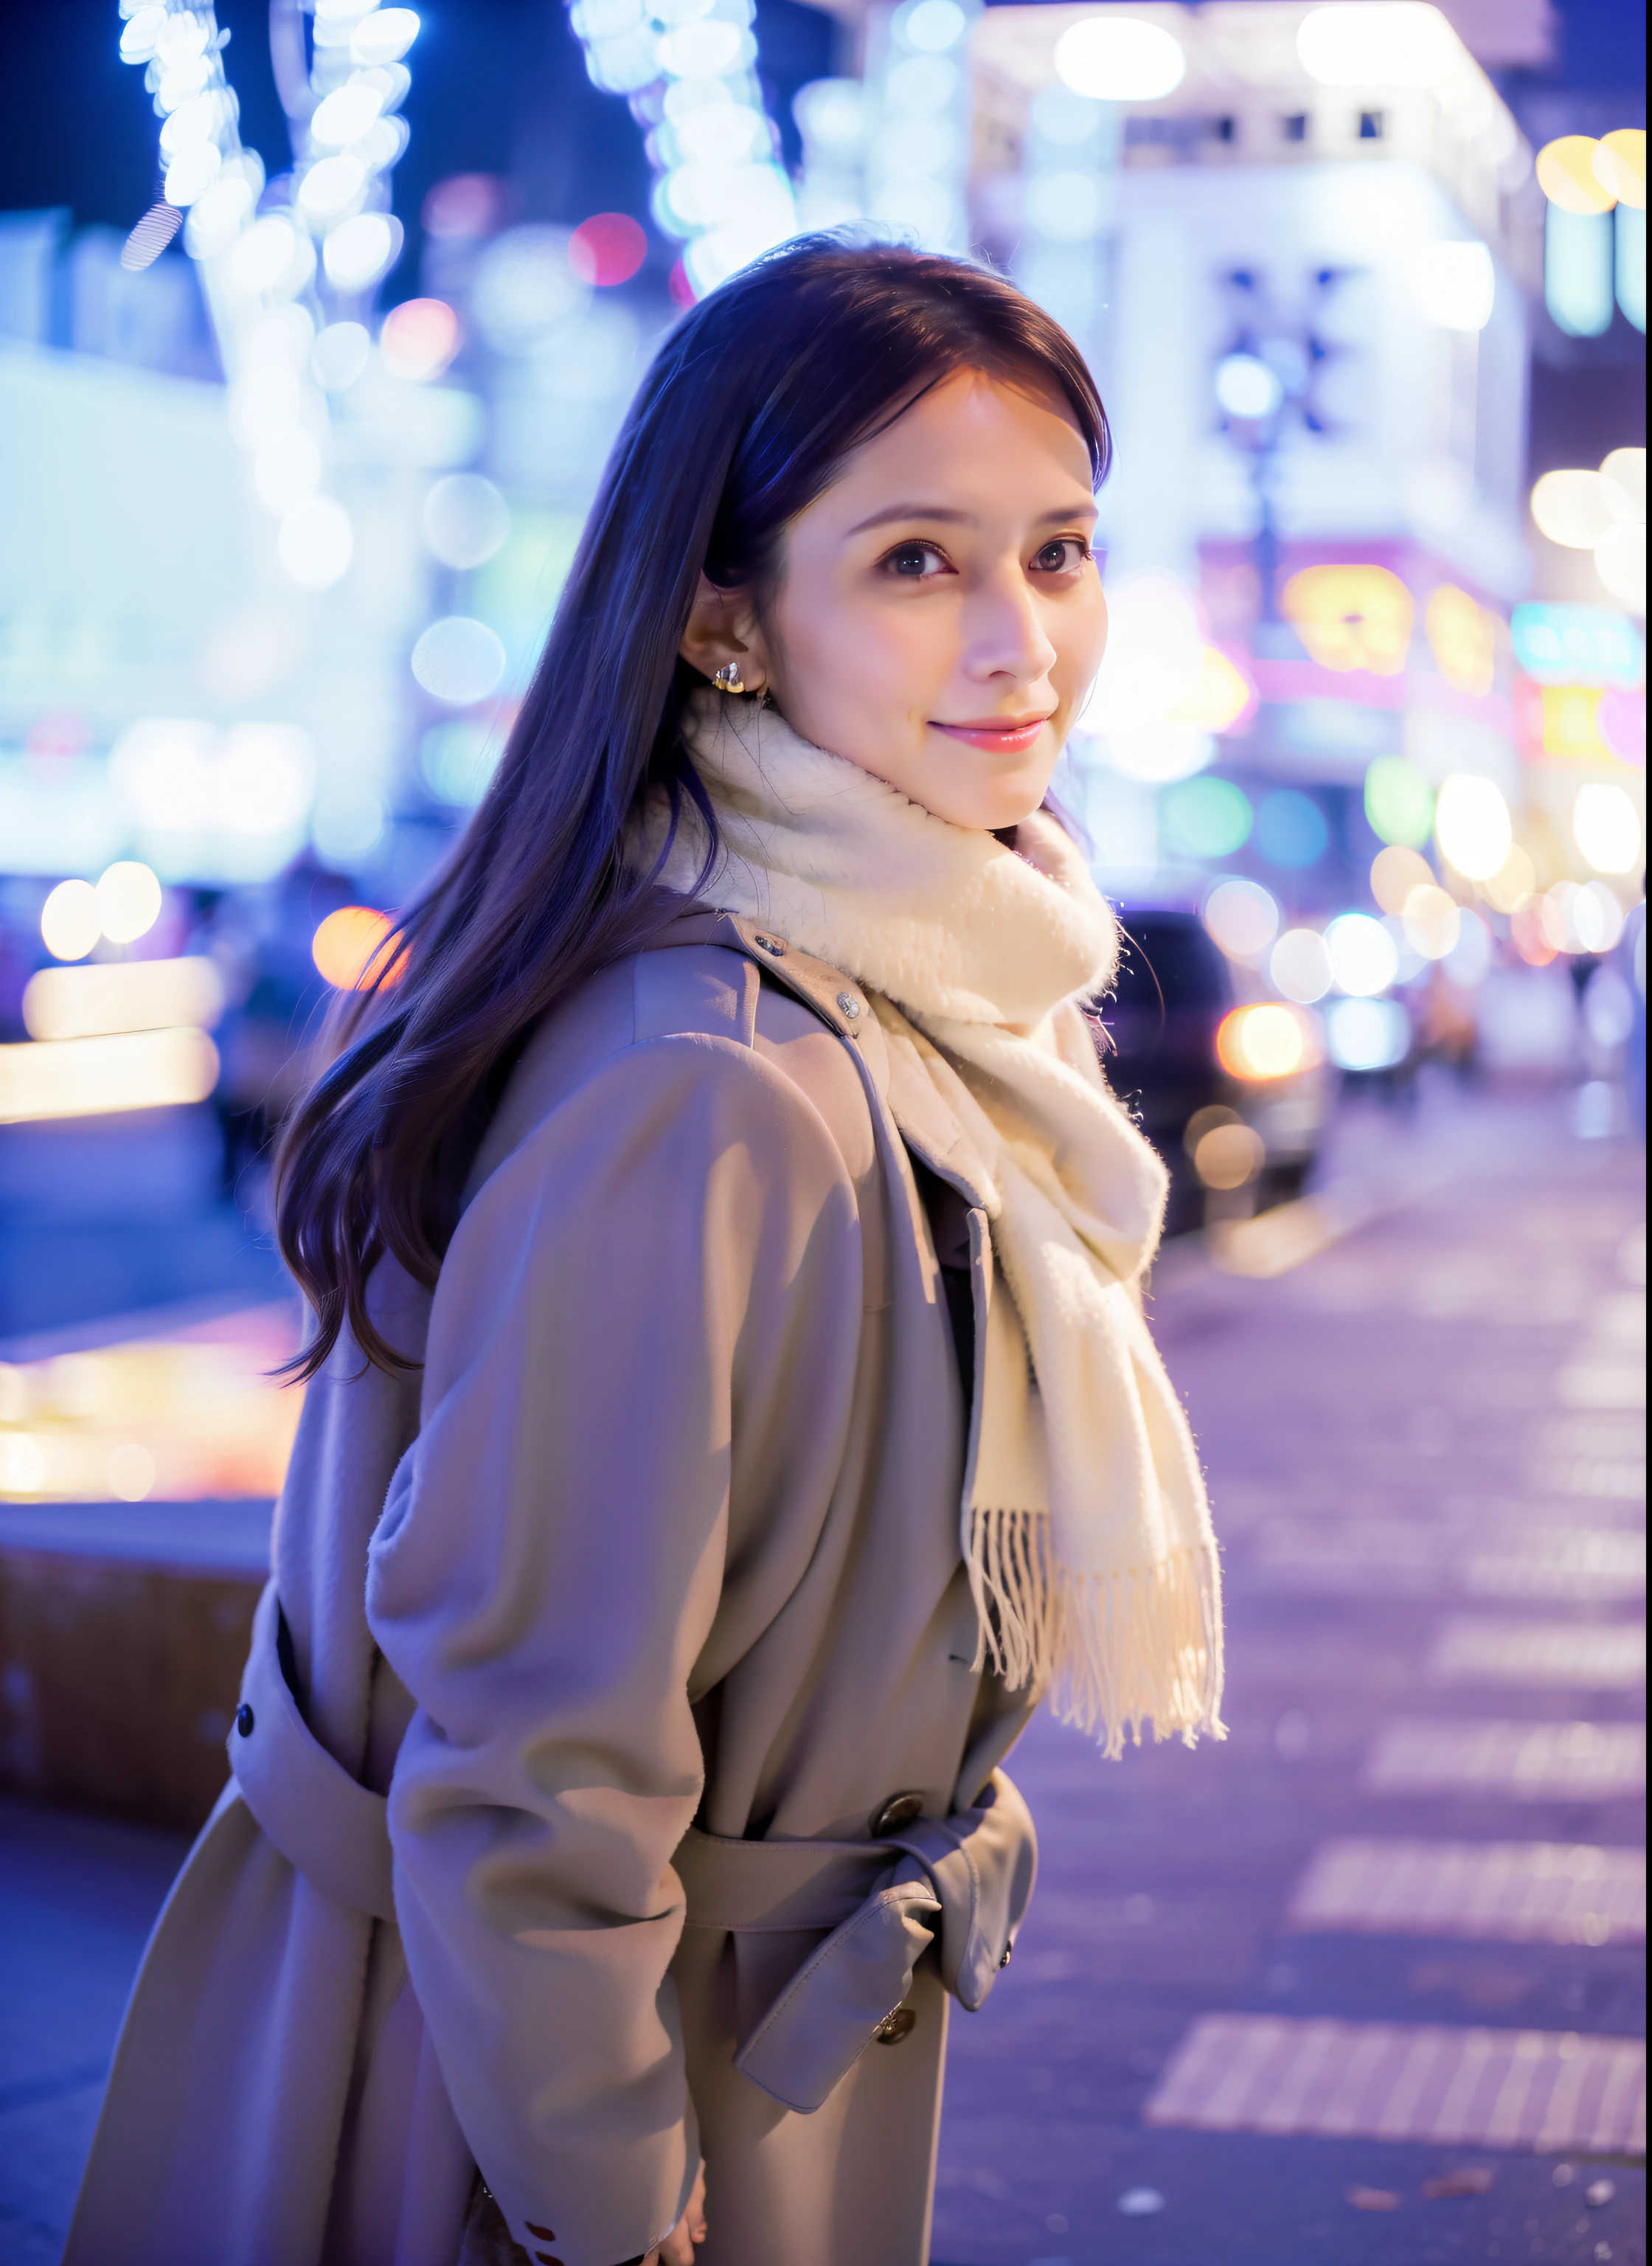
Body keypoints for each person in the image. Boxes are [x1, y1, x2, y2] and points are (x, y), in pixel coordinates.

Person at [66, 236, 1222, 2266]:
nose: (1020, 643)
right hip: (533, 2104)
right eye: (915, 563)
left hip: (704, 2040)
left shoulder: (899, 1014)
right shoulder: (720, 1084)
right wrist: (613, 2196)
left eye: (1057, 552)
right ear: (723, 622)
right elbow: (527, 1752)